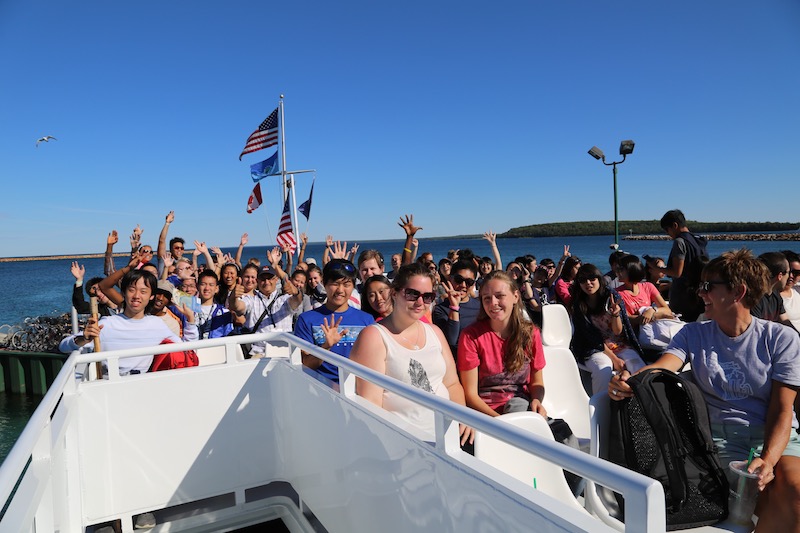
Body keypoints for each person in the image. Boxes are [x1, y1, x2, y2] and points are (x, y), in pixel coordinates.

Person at [609, 249, 800, 532]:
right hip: (721, 443)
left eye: (708, 287)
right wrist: (629, 380)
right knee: (768, 499)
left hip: (776, 439)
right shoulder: (692, 334)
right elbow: (664, 366)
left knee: (795, 495)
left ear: (738, 291)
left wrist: (768, 460)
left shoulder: (779, 339)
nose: (700, 293)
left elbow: (783, 409)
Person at [350, 263, 473, 444]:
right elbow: (371, 402)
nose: (420, 302)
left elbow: (452, 383)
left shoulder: (434, 332)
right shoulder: (374, 337)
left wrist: (462, 417)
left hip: (447, 436)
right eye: (412, 294)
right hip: (404, 441)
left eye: (428, 296)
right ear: (394, 293)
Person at [457, 271, 547, 417]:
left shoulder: (531, 333)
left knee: (565, 437)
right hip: (486, 414)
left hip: (522, 409)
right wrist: (500, 423)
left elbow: (537, 382)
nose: (493, 303)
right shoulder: (471, 336)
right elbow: (470, 394)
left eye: (500, 296)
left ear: (515, 296)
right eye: (487, 298)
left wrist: (537, 400)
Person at [60, 269, 182, 376]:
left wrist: (191, 321)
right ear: (123, 292)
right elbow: (64, 346)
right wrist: (84, 339)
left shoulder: (157, 324)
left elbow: (183, 347)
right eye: (132, 290)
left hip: (144, 383)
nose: (136, 296)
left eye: (143, 291)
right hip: (111, 384)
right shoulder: (107, 324)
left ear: (151, 296)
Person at [294, 259, 375, 383]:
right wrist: (325, 347)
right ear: (324, 284)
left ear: (353, 286)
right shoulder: (306, 320)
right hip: (321, 389)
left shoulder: (366, 320)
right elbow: (305, 364)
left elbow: (373, 362)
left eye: (346, 284)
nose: (340, 290)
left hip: (358, 390)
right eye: (335, 284)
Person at [570, 263, 645, 394]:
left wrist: (616, 314)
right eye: (583, 280)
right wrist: (615, 359)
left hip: (618, 343)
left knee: (638, 366)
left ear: (599, 279)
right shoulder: (579, 305)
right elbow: (590, 337)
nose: (588, 283)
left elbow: (618, 331)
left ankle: (642, 400)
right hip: (593, 347)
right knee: (603, 368)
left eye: (592, 278)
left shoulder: (611, 297)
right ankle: (601, 407)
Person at [646, 209, 708, 322]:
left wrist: (656, 268)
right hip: (700, 292)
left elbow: (677, 272)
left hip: (683, 295)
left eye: (667, 230)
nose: (668, 234)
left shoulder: (680, 242)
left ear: (675, 225)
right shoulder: (698, 240)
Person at [241, 249, 303, 357]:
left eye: (270, 278)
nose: (266, 282)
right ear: (258, 281)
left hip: (284, 352)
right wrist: (233, 297)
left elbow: (297, 300)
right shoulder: (251, 300)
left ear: (276, 279)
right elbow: (238, 307)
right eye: (263, 279)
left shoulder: (284, 299)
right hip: (258, 353)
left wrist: (296, 292)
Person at [433, 260, 481, 358]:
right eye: (459, 280)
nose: (463, 285)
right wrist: (454, 307)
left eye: (469, 282)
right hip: (458, 363)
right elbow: (450, 340)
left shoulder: (481, 306)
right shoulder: (440, 310)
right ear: (451, 279)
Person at [752, 252, 798, 331]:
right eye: (788, 272)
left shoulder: (775, 295)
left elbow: (786, 323)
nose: (790, 276)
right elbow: (755, 332)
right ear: (780, 276)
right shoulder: (754, 299)